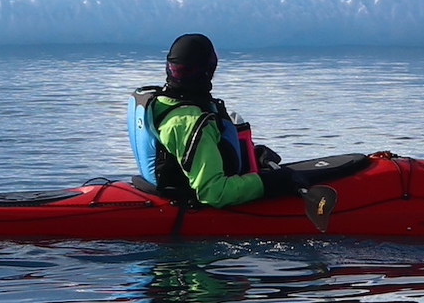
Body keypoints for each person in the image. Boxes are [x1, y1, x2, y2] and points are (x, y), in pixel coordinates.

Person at [133, 34, 336, 226]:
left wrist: (251, 156)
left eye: (181, 70)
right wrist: (269, 183)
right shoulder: (189, 122)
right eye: (179, 70)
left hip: (161, 187)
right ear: (208, 70)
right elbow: (214, 193)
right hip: (189, 204)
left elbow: (178, 154)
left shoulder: (159, 102)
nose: (180, 75)